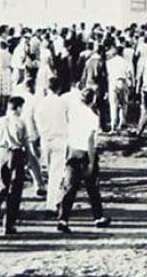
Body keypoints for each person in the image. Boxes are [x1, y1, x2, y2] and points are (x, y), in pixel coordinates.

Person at [57, 88, 110, 233]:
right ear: (92, 100)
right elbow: (91, 141)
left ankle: (63, 219)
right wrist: (92, 162)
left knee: (69, 188)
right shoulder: (92, 117)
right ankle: (98, 217)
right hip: (85, 154)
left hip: (72, 152)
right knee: (92, 188)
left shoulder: (73, 114)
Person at [0, 96, 28, 235]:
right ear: (18, 108)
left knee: (0, 186)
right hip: (15, 154)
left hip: (1, 153)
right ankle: (8, 224)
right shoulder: (20, 122)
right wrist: (28, 158)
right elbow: (25, 142)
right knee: (15, 190)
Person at [33, 77, 70, 211]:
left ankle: (54, 200)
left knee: (51, 171)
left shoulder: (41, 103)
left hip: (45, 139)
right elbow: (68, 120)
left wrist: (42, 132)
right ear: (59, 88)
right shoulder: (63, 103)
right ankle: (53, 203)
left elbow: (37, 120)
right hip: (60, 139)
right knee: (57, 172)